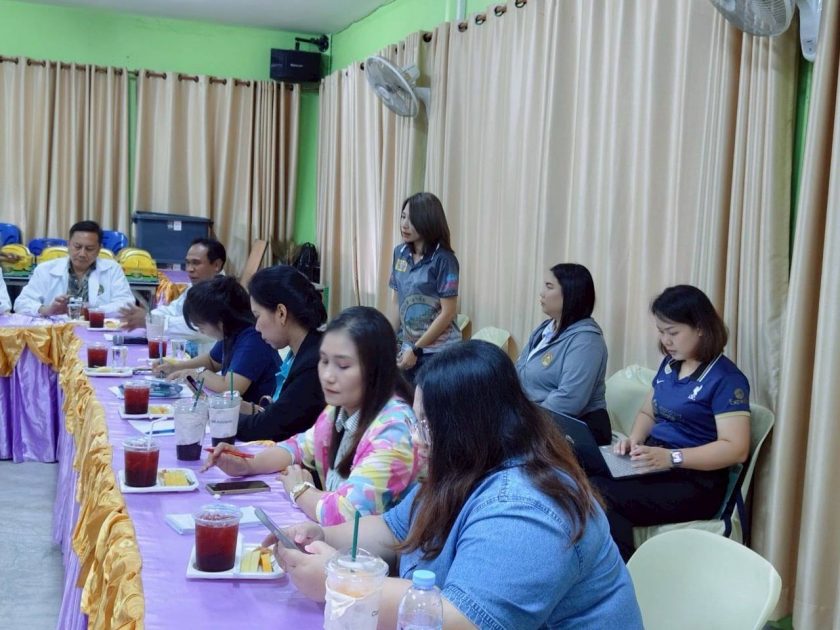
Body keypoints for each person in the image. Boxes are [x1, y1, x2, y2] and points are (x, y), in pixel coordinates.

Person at [270, 341, 643, 629]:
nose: (415, 439)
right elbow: (392, 529)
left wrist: (341, 583)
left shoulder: (527, 507)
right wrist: (324, 535)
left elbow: (463, 620)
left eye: (425, 426)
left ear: (466, 428)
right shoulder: (463, 467)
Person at [204, 306, 423, 526]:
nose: (328, 376)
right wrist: (248, 464)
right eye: (324, 361)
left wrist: (300, 490)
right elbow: (298, 447)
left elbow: (348, 514)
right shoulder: (341, 408)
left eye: (343, 365)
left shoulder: (395, 429)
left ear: (376, 369)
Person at [590, 285, 751, 562]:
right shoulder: (670, 365)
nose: (666, 341)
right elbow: (648, 412)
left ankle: (623, 574)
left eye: (673, 332)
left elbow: (736, 449)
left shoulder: (726, 380)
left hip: (694, 482)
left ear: (700, 328)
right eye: (661, 332)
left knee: (600, 492)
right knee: (574, 468)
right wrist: (634, 440)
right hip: (654, 460)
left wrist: (672, 457)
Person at [515, 263, 611, 445]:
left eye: (549, 287)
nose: (542, 293)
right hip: (536, 420)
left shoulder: (586, 341)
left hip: (573, 429)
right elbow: (519, 369)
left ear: (571, 294)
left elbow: (569, 399)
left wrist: (526, 423)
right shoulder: (545, 329)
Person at [235, 265, 327, 442]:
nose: (256, 327)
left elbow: (269, 428)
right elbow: (282, 413)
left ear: (281, 313)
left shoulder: (313, 364)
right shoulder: (298, 353)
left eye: (257, 316)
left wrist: (219, 417)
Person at [159, 276, 279, 404]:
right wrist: (175, 367)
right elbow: (211, 361)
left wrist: (197, 374)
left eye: (201, 326)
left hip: (256, 412)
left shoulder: (253, 339)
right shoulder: (232, 332)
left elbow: (231, 388)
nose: (201, 331)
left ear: (220, 321)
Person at [389, 192, 460, 383]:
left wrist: (417, 349)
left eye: (412, 220)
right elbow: (396, 303)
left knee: (424, 400)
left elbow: (448, 313)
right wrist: (389, 339)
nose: (404, 224)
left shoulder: (444, 260)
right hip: (408, 348)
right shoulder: (399, 253)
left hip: (438, 352)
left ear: (428, 221)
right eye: (403, 217)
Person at [13, 221, 134, 317]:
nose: (82, 254)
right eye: (77, 247)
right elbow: (20, 304)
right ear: (68, 245)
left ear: (99, 249)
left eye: (89, 249)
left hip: (96, 331)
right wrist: (47, 310)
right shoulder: (45, 269)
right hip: (57, 332)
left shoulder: (112, 269)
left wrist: (91, 311)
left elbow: (127, 304)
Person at [119, 237, 226, 336]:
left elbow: (196, 327)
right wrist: (147, 316)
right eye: (188, 263)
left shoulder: (223, 293)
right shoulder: (196, 287)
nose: (189, 269)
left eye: (196, 263)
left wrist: (150, 320)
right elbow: (173, 310)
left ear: (216, 265)